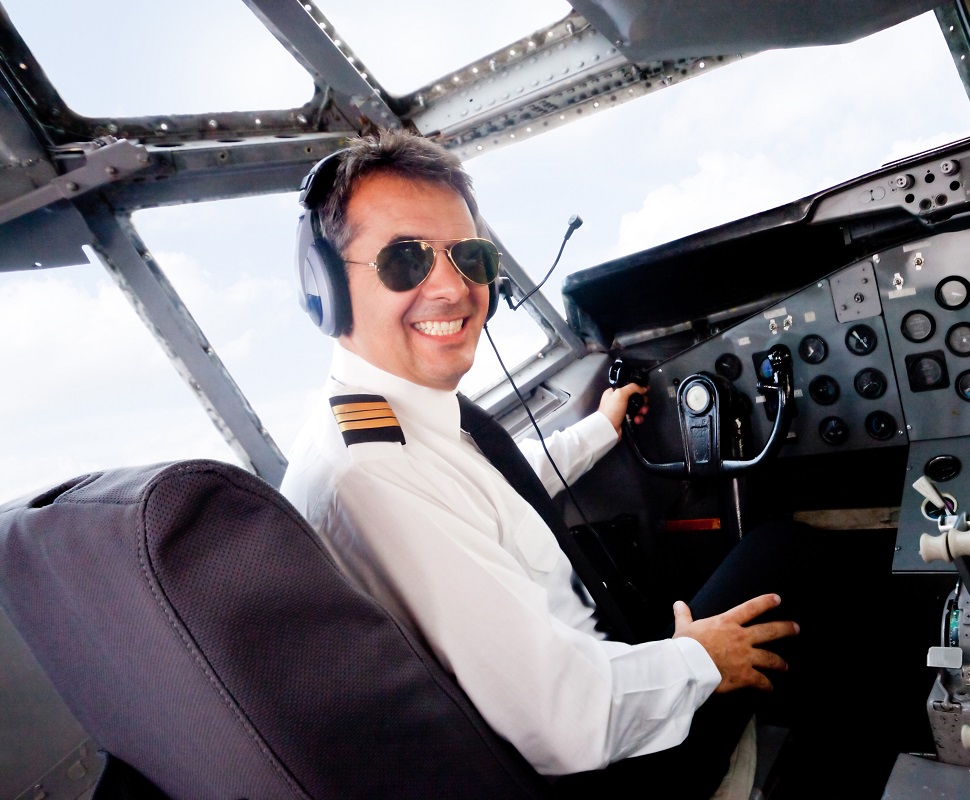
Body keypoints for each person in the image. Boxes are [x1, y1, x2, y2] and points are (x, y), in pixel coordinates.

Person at [280, 129, 801, 798]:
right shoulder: (373, 475)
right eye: (404, 260)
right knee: (789, 554)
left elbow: (505, 481)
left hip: (595, 684)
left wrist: (603, 426)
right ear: (325, 287)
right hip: (598, 765)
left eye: (469, 256)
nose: (453, 286)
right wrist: (698, 658)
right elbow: (565, 723)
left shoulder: (396, 422)